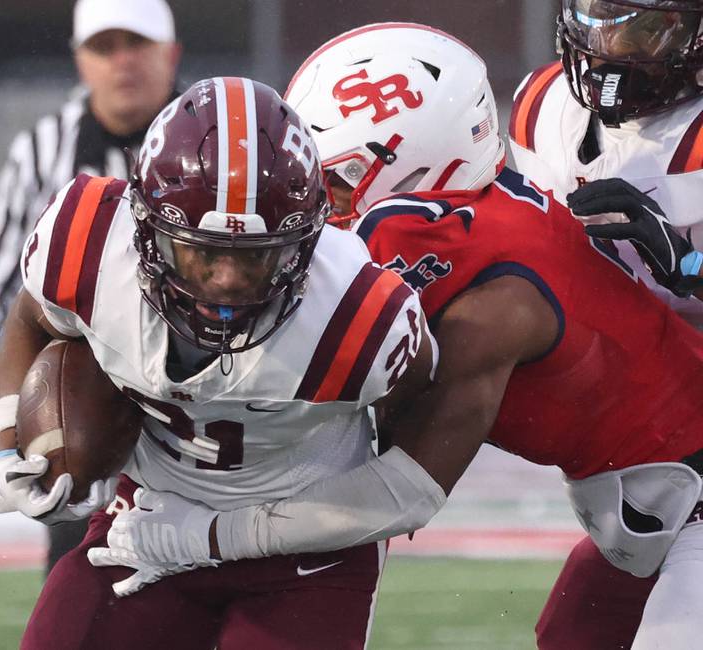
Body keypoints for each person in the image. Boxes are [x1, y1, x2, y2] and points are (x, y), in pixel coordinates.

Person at [111, 24, 703, 649]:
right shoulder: (459, 229)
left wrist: (205, 536)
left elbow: (403, 493)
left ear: (409, 170)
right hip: (645, 504)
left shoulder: (498, 303)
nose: (306, 200)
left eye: (330, 181)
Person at [0, 77, 439, 649]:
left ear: (305, 241)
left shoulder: (358, 317)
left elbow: (411, 465)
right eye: (200, 252)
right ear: (145, 226)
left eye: (255, 257)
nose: (225, 284)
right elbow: (32, 319)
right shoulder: (88, 247)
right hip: (146, 521)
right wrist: (11, 440)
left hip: (305, 552)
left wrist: (225, 535)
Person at [0, 0, 181, 571]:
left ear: (171, 54)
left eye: (136, 43)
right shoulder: (44, 150)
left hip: (204, 393)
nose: (122, 61)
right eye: (104, 46)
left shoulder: (215, 139)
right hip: (86, 395)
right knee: (82, 574)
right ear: (80, 61)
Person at [508, 1, 703, 646]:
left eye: (642, 27)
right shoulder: (543, 107)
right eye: (597, 17)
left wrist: (691, 261)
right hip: (654, 448)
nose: (611, 44)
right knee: (574, 631)